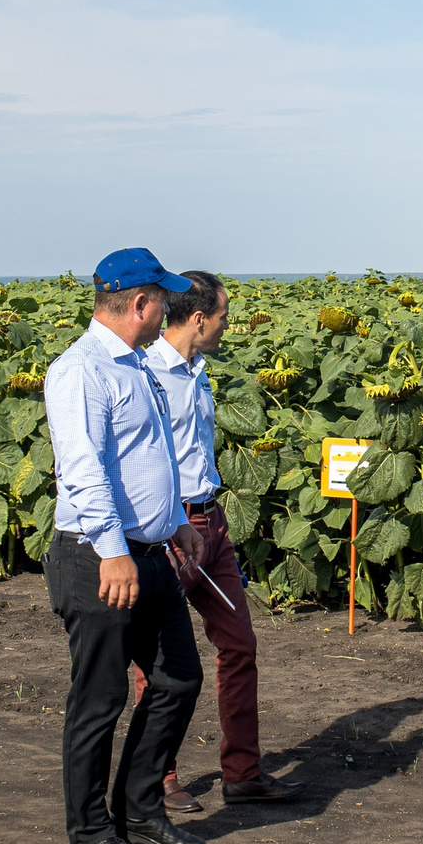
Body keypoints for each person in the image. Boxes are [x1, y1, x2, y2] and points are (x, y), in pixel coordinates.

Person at [42, 248, 212, 844]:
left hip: (150, 550)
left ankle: (139, 812)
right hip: (97, 558)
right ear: (140, 303)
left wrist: (173, 526)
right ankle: (89, 832)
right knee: (100, 698)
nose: (170, 308)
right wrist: (114, 553)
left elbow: (146, 460)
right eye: (163, 299)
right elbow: (83, 473)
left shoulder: (136, 366)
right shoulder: (81, 371)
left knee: (177, 680)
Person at [145, 270, 304, 810]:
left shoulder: (199, 370)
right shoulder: (148, 375)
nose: (226, 327)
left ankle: (242, 772)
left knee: (239, 646)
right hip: (171, 528)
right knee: (158, 661)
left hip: (212, 523)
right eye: (223, 317)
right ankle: (158, 777)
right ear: (197, 319)